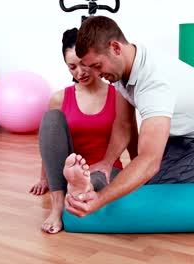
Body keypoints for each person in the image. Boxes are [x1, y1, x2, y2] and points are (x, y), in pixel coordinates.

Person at [63, 16, 194, 218]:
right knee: (141, 179)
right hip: (180, 128)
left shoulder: (154, 85)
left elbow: (149, 161)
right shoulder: (123, 65)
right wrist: (107, 162)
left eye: (97, 66)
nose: (96, 74)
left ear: (115, 47)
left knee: (156, 188)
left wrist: (100, 200)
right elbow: (123, 124)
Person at [29, 28, 137, 233]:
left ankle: (81, 188)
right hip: (67, 169)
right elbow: (51, 142)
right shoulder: (60, 98)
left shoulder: (119, 94)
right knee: (51, 118)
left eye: (83, 64)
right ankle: (58, 205)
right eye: (72, 67)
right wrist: (44, 177)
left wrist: (140, 172)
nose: (79, 72)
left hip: (105, 170)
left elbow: (131, 134)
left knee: (94, 180)